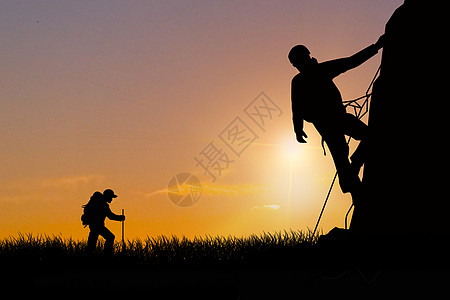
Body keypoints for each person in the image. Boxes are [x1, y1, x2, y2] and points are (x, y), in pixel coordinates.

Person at [289, 36, 384, 204]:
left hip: (332, 121)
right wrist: (298, 129)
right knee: (344, 156)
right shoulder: (308, 76)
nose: (298, 66)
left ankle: (355, 171)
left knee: (348, 153)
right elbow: (297, 108)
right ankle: (356, 188)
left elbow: (350, 62)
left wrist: (375, 47)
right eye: (296, 64)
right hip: (331, 122)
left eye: (298, 62)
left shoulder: (311, 74)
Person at [82, 189, 125, 256]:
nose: (112, 199)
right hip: (98, 226)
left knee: (92, 243)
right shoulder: (104, 205)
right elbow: (111, 216)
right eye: (111, 197)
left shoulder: (98, 202)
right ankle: (107, 255)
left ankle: (88, 255)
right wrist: (120, 218)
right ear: (108, 196)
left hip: (93, 225)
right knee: (110, 237)